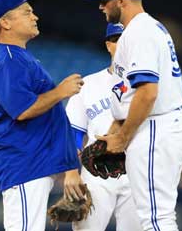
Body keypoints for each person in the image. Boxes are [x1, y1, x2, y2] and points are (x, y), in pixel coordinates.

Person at [85, 0, 182, 230]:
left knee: (156, 218)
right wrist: (115, 130)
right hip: (157, 126)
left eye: (105, 0)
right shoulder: (144, 29)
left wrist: (122, 138)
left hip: (155, 125)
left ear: (121, 0)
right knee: (156, 215)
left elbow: (147, 93)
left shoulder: (140, 32)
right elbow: (130, 94)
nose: (101, 6)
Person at [0, 0, 85, 231]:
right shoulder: (6, 59)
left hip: (33, 162)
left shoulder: (17, 57)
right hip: (24, 164)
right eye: (26, 13)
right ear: (5, 22)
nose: (34, 17)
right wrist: (61, 91)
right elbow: (22, 111)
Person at [65, 23, 142, 231]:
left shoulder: (147, 86)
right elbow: (73, 133)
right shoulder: (88, 85)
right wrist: (71, 172)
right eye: (118, 40)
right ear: (109, 45)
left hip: (136, 169)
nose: (123, 44)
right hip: (95, 168)